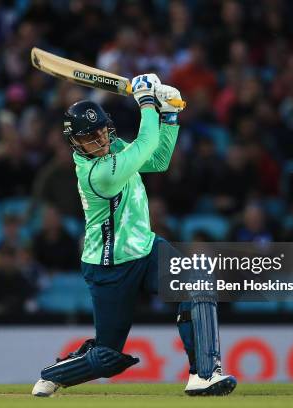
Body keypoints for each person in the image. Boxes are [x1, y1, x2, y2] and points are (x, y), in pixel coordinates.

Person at [32, 74, 236, 397]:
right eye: (89, 138)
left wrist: (168, 114)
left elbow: (157, 159)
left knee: (196, 282)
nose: (99, 142)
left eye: (101, 132)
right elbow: (145, 145)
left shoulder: (114, 147)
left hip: (147, 248)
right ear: (75, 144)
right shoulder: (96, 174)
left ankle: (205, 374)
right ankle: (53, 374)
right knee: (108, 356)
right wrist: (148, 104)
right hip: (110, 266)